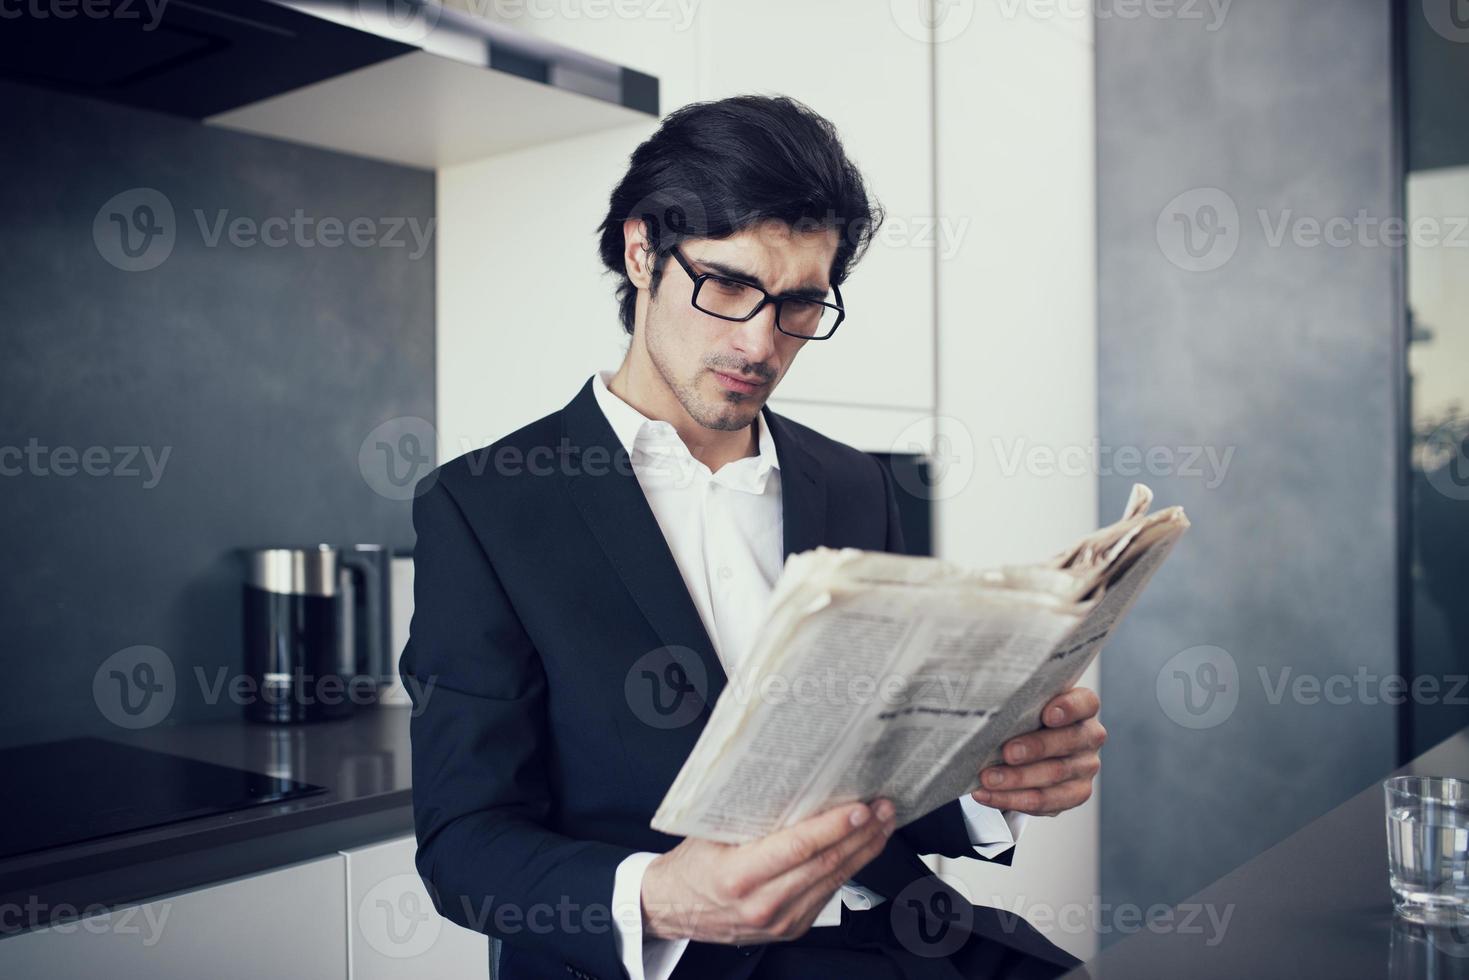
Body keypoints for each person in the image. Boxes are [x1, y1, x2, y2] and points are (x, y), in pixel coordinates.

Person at [401, 94, 1105, 980]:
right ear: (641, 250)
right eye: (728, 285)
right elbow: (463, 845)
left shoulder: (852, 482)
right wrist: (662, 894)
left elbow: (876, 774)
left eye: (800, 305)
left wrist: (990, 779)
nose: (760, 343)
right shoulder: (483, 504)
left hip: (906, 937)